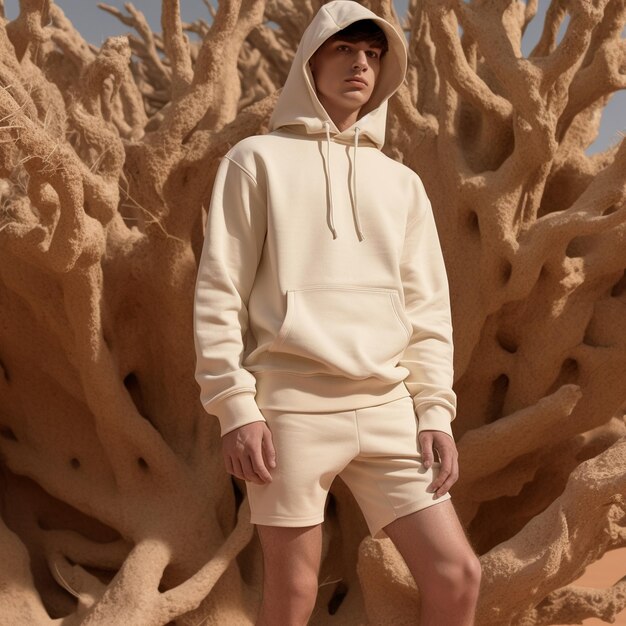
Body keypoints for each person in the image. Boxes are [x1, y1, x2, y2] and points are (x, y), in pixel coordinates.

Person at [193, 1, 482, 624]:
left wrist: (434, 410)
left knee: (458, 575)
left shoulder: (400, 183)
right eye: (345, 51)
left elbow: (428, 308)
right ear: (310, 63)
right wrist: (234, 409)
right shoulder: (256, 160)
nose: (361, 65)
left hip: (389, 408)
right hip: (291, 409)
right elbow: (220, 291)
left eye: (374, 55)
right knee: (293, 596)